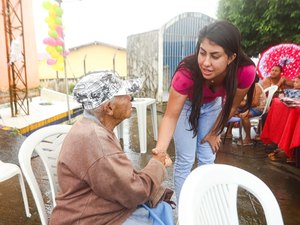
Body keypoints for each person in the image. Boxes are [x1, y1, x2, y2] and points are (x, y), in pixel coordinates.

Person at [49, 71, 173, 225]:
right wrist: (157, 164)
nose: (130, 98)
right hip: (86, 218)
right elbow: (133, 192)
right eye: (125, 95)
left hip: (94, 208)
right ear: (108, 108)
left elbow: (119, 180)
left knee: (160, 208)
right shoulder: (97, 141)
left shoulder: (90, 126)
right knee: (161, 210)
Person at [152, 21, 256, 201]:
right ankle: (183, 211)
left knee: (207, 155)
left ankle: (202, 204)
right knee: (185, 159)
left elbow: (231, 106)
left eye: (215, 56)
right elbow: (170, 116)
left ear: (231, 57)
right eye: (202, 52)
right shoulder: (186, 73)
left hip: (213, 107)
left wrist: (215, 132)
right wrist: (160, 150)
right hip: (186, 107)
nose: (206, 63)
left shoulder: (245, 71)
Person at [237, 75, 266, 145]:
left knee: (244, 116)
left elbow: (255, 103)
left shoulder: (256, 86)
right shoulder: (247, 86)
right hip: (249, 106)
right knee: (232, 110)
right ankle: (228, 133)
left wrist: (243, 104)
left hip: (258, 108)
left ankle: (248, 138)